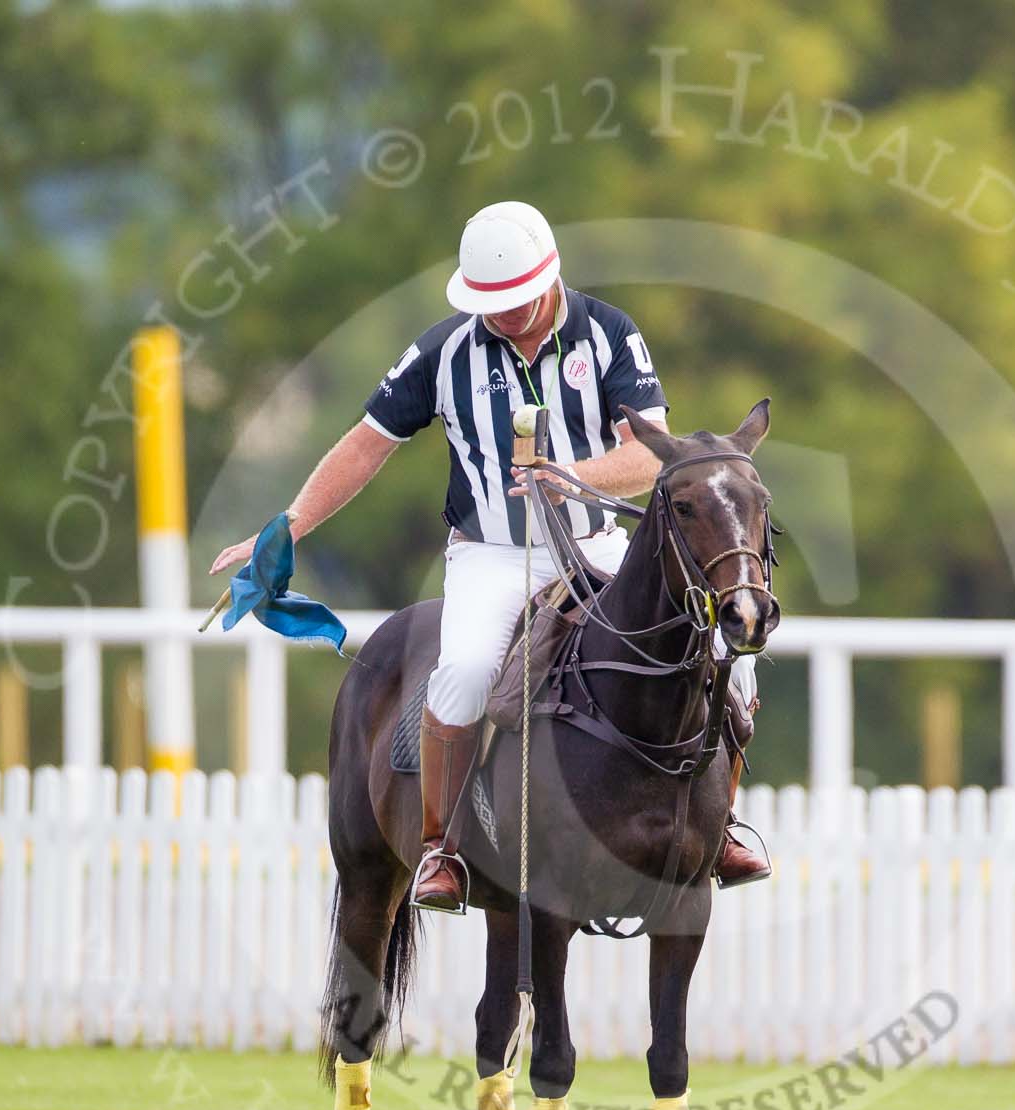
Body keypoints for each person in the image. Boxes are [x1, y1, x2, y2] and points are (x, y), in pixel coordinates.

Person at [210, 200, 768, 912]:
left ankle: (717, 827)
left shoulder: (610, 337)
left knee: (731, 653)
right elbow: (367, 443)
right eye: (489, 303)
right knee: (467, 671)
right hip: (493, 555)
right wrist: (291, 522)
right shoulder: (444, 351)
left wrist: (573, 479)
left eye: (513, 301)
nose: (500, 314)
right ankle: (442, 849)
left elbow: (649, 455)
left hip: (598, 545)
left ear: (549, 278)